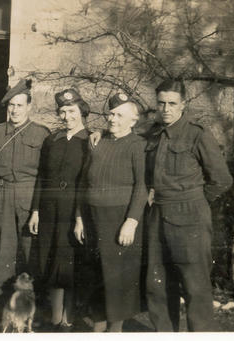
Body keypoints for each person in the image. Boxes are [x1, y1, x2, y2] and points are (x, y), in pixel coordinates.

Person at [144, 79, 232, 331]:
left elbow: (222, 180)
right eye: (161, 103)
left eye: (172, 103)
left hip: (190, 216)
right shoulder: (153, 134)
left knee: (195, 287)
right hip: (157, 215)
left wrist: (196, 201)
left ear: (183, 104)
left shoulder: (197, 134)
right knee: (157, 285)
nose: (166, 109)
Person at [74, 93, 147, 332]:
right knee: (96, 276)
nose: (112, 119)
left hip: (118, 220)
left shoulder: (138, 145)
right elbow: (84, 183)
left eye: (119, 115)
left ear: (133, 121)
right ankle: (98, 327)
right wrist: (79, 218)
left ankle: (115, 330)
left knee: (118, 279)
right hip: (93, 219)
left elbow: (141, 186)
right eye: (111, 114)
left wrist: (131, 221)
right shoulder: (98, 140)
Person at [0, 79, 50, 322]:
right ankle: (0, 307)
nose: (15, 110)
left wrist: (38, 209)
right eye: (11, 105)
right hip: (1, 196)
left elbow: (45, 176)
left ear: (29, 106)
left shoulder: (41, 134)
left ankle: (36, 309)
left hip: (28, 196)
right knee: (4, 253)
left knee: (32, 253)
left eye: (20, 105)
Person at [29, 89, 90, 331]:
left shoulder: (91, 140)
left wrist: (80, 217)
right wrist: (35, 210)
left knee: (69, 262)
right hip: (49, 209)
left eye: (71, 111)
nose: (66, 116)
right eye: (62, 112)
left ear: (82, 111)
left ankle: (69, 317)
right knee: (49, 258)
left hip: (72, 211)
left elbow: (89, 182)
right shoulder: (51, 140)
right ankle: (56, 319)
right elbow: (41, 178)